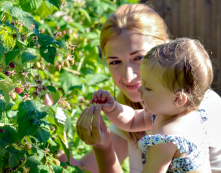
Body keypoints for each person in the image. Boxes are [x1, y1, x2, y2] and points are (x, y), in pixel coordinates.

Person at [57, 4, 221, 173]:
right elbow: (132, 120)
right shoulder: (165, 108)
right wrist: (55, 134)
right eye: (114, 62)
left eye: (139, 57)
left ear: (164, 48)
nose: (128, 77)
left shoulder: (178, 127)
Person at [86, 38, 212, 172]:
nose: (139, 89)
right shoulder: (178, 114)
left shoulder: (168, 136)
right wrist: (113, 107)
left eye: (148, 87)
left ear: (179, 99)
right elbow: (133, 120)